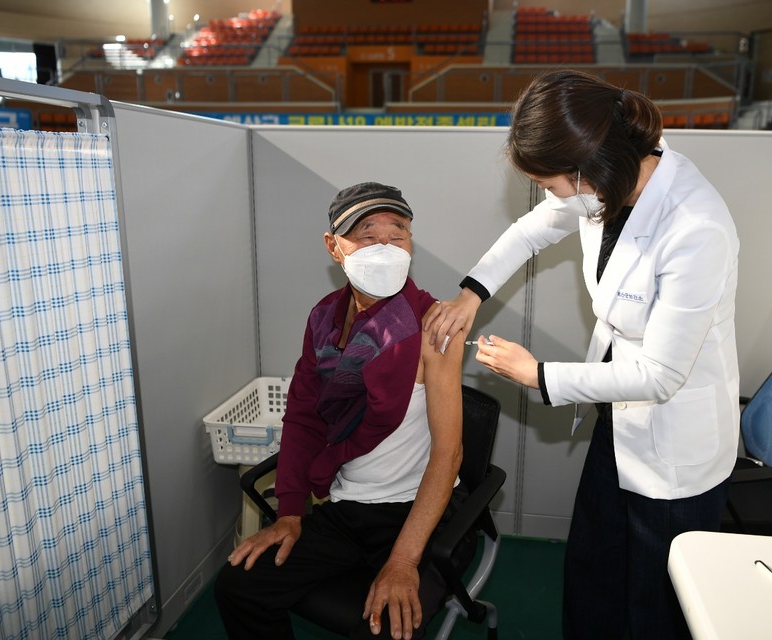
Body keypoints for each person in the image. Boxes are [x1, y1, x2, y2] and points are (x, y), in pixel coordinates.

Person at [424, 69, 740, 640]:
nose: (551, 198)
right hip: (615, 416)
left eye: (551, 183)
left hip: (675, 446)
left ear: (588, 168)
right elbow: (531, 231)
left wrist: (537, 375)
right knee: (593, 571)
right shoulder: (612, 175)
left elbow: (662, 375)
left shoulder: (695, 227)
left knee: (655, 605)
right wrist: (472, 293)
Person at [215, 181, 466, 640]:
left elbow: (448, 456)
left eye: (399, 233)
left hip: (417, 512)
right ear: (335, 247)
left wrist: (404, 560)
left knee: (389, 627)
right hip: (348, 507)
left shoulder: (434, 327)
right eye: (367, 235)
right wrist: (290, 510)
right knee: (239, 587)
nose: (386, 247)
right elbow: (305, 415)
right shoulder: (325, 319)